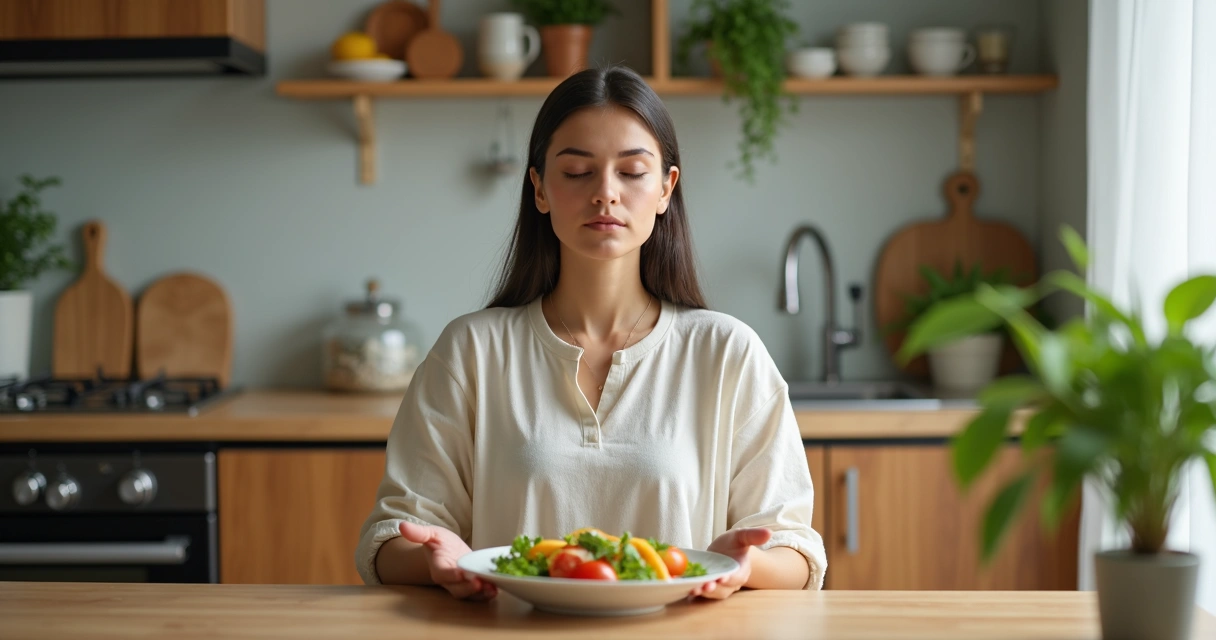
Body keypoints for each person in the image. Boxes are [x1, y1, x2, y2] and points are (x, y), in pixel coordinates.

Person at [355, 65, 826, 601]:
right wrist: (439, 561)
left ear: (666, 189)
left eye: (632, 172)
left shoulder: (727, 351)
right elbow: (391, 538)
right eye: (578, 171)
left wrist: (744, 566)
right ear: (539, 189)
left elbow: (795, 551)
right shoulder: (471, 351)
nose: (605, 193)